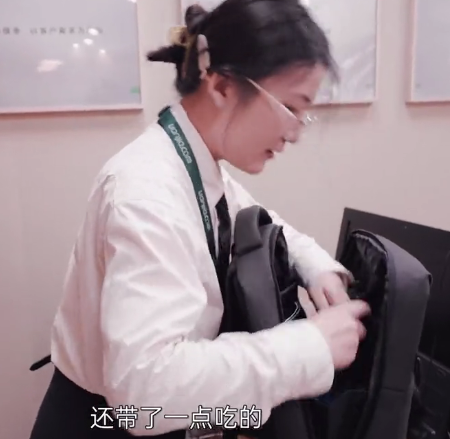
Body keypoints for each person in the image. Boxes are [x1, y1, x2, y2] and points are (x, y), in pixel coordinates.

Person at [29, 1, 370, 438]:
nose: (294, 133)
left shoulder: (194, 166)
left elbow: (262, 219)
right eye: (290, 107)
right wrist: (311, 348)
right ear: (223, 85)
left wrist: (316, 266)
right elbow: (144, 390)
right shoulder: (148, 192)